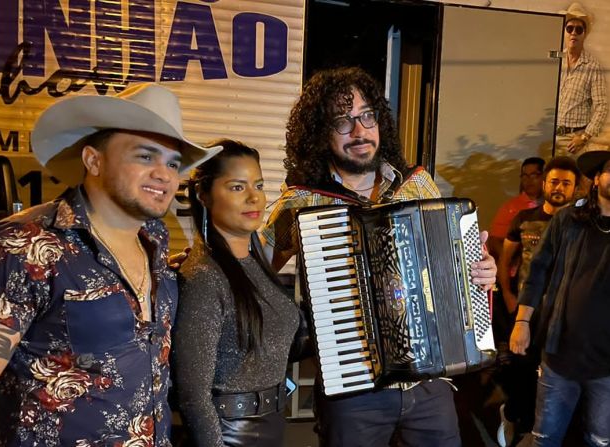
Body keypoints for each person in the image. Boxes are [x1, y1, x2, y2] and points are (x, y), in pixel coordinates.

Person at [0, 84, 221, 445]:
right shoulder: (21, 244)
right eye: (145, 156)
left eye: (173, 163)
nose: (164, 174)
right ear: (93, 160)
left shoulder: (156, 239)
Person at [261, 66, 497, 447]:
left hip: (429, 381)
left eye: (366, 115)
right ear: (321, 133)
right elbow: (254, 271)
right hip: (354, 391)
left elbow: (457, 271)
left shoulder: (417, 185)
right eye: (342, 121)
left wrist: (484, 273)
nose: (359, 131)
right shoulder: (302, 202)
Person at [173, 140, 301, 447]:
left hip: (272, 424)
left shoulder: (256, 264)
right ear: (204, 195)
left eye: (258, 184)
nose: (254, 197)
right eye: (236, 187)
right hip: (229, 435)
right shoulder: (204, 277)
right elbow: (193, 397)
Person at [509, 150, 610, 446]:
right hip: (559, 356)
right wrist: (522, 321)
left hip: (606, 366)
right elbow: (537, 271)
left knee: (599, 441)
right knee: (546, 438)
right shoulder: (569, 219)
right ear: (596, 179)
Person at [496, 156, 580, 446]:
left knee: (552, 376)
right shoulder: (524, 219)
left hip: (562, 317)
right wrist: (508, 296)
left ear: (575, 189)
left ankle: (537, 430)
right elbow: (505, 260)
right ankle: (513, 418)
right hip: (526, 312)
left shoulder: (580, 226)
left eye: (566, 184)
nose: (559, 188)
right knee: (520, 372)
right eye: (554, 181)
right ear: (545, 183)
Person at [555, 2, 608, 159]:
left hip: (572, 141)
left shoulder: (593, 66)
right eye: (569, 28)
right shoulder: (555, 59)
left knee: (570, 182)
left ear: (584, 34)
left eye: (579, 30)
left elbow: (602, 107)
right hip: (547, 136)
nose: (574, 33)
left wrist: (584, 137)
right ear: (564, 32)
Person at [488, 157, 545, 263]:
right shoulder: (510, 207)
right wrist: (510, 263)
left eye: (534, 175)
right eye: (525, 176)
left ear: (545, 176)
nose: (529, 180)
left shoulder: (554, 206)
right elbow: (495, 240)